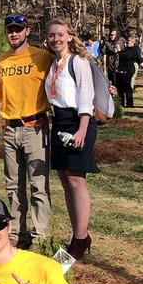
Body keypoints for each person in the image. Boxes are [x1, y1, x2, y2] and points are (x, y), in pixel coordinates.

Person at [0, 14, 53, 249]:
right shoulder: (2, 60)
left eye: (18, 29)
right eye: (10, 30)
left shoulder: (42, 57)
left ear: (27, 31)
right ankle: (16, 234)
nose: (13, 33)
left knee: (38, 185)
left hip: (35, 127)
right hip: (10, 129)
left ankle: (40, 237)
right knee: (13, 186)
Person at [44, 19, 98, 260]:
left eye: (60, 35)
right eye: (51, 35)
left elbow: (87, 97)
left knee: (77, 181)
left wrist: (82, 130)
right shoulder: (53, 64)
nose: (55, 39)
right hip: (59, 122)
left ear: (69, 36)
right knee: (66, 182)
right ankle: (78, 234)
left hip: (79, 121)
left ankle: (79, 240)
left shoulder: (79, 62)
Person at [114, 35, 142, 109]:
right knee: (120, 87)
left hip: (128, 70)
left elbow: (126, 57)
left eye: (129, 40)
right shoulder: (125, 49)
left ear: (133, 42)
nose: (127, 41)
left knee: (127, 86)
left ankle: (129, 103)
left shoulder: (134, 49)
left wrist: (119, 51)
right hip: (121, 70)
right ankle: (121, 103)